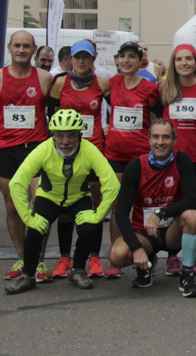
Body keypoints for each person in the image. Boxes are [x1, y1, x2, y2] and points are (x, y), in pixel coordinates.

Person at [3, 110, 120, 294]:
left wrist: (98, 216)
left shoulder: (89, 150)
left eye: (71, 136)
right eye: (59, 136)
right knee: (34, 229)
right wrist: (28, 218)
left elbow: (111, 183)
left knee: (90, 226)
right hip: (49, 197)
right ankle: (27, 275)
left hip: (78, 197)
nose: (65, 141)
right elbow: (17, 182)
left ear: (80, 135)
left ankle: (78, 270)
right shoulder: (43, 149)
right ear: (53, 136)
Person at [0, 30, 53, 281]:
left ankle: (39, 261)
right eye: (17, 45)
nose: (21, 50)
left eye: (26, 46)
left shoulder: (44, 78)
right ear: (9, 48)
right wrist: (0, 137)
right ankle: (22, 258)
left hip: (37, 150)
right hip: (7, 151)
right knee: (12, 207)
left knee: (40, 206)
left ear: (34, 50)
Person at [108, 120, 196, 296]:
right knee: (116, 255)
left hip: (172, 233)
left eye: (166, 137)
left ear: (174, 140)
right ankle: (145, 265)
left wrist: (161, 213)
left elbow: (192, 199)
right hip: (145, 235)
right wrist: (136, 247)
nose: (160, 142)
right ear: (149, 140)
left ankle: (187, 275)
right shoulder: (135, 167)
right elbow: (121, 213)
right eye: (156, 137)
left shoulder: (182, 160)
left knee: (193, 216)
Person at [47, 39, 111, 279]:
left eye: (86, 57)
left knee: (94, 208)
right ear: (70, 59)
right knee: (65, 207)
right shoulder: (60, 83)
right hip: (64, 151)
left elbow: (123, 112)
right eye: (77, 57)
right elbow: (50, 117)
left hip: (92, 152)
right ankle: (65, 257)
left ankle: (94, 257)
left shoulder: (103, 84)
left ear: (93, 59)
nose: (81, 61)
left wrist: (110, 131)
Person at [103, 41, 162, 278]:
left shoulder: (149, 88)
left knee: (142, 205)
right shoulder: (110, 85)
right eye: (123, 57)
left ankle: (147, 251)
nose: (126, 61)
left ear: (140, 62)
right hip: (115, 155)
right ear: (117, 60)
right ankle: (117, 257)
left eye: (132, 57)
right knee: (118, 206)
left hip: (140, 157)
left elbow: (156, 122)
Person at [159, 44, 196, 276]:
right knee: (170, 205)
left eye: (188, 59)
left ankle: (189, 261)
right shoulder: (162, 88)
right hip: (169, 158)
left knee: (191, 207)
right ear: (174, 63)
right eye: (179, 59)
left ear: (195, 62)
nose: (184, 63)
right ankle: (172, 257)